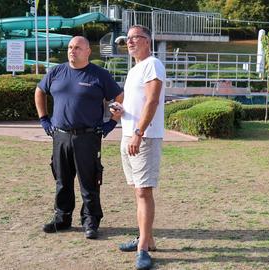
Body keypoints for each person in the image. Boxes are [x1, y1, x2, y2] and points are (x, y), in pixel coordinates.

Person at [34, 36, 123, 239]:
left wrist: (111, 123)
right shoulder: (56, 72)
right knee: (62, 180)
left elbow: (118, 97)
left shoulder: (99, 75)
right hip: (61, 136)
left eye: (77, 48)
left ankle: (90, 221)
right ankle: (62, 218)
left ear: (88, 51)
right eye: (70, 47)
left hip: (88, 137)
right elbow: (39, 91)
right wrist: (44, 120)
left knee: (89, 181)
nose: (72, 51)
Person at [116, 25, 165, 270]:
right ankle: (148, 239)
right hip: (129, 136)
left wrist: (138, 132)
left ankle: (143, 249)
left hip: (143, 138)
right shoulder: (134, 69)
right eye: (128, 38)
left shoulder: (152, 64)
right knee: (137, 191)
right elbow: (137, 103)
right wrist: (121, 112)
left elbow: (153, 100)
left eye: (136, 38)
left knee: (144, 192)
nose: (130, 42)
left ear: (147, 41)